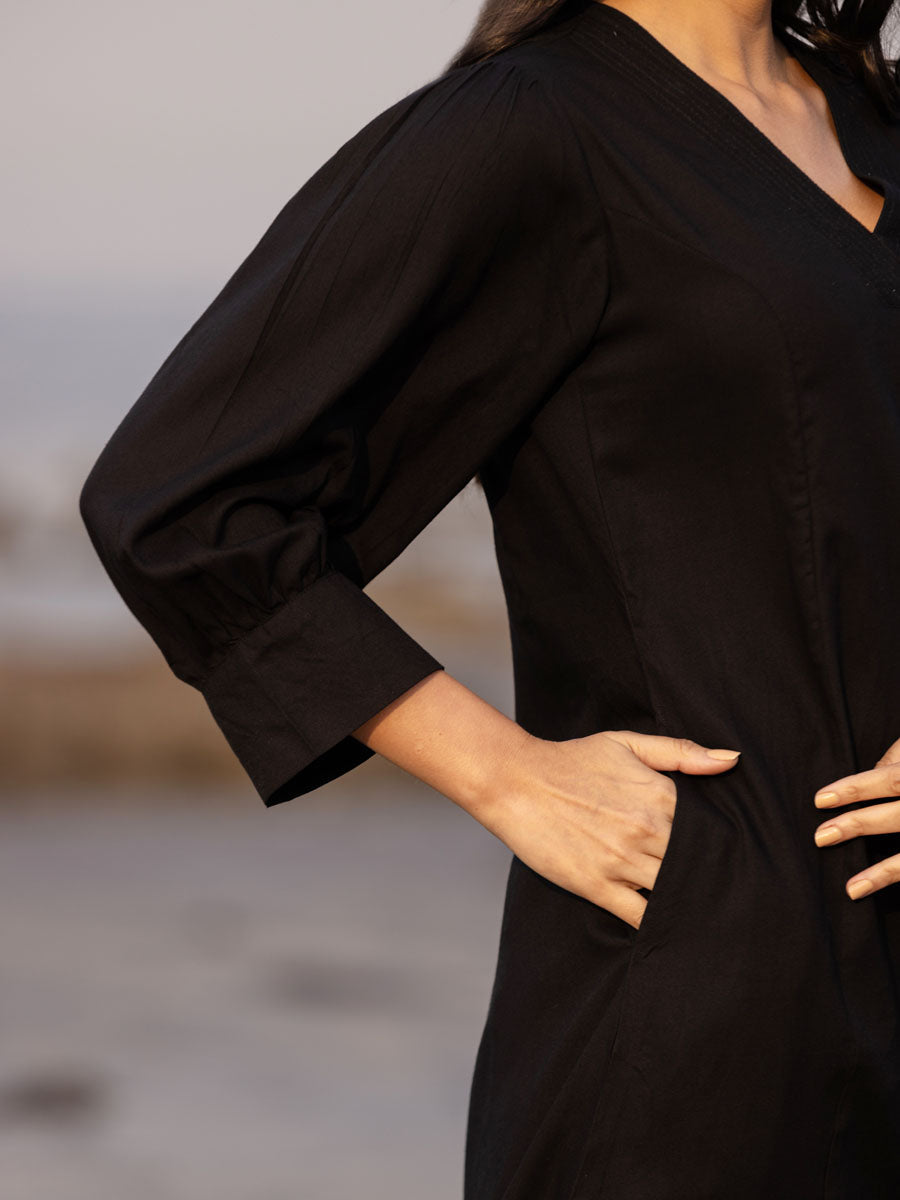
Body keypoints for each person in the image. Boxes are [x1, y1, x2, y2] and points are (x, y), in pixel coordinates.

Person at [78, 0, 900, 1194]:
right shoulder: (530, 127)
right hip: (699, 995)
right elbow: (179, 499)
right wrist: (506, 776)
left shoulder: (873, 110)